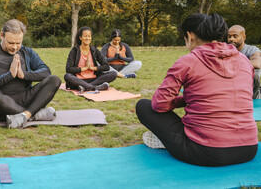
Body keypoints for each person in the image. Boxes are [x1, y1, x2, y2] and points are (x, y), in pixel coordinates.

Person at [136, 13, 258, 166]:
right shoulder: (244, 61)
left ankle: (168, 142)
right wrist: (193, 99)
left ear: (189, 36)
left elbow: (159, 104)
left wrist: (181, 102)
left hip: (207, 152)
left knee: (144, 106)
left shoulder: (188, 61)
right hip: (249, 149)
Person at [0, 19, 61, 129]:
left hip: (25, 98)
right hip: (1, 103)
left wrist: (24, 75)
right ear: (2, 35)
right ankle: (33, 114)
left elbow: (46, 72)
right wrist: (9, 75)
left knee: (54, 80)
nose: (15, 47)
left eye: (18, 43)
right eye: (10, 43)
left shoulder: (27, 52)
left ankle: (25, 115)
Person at [64, 26, 117, 93]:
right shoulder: (74, 51)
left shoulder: (94, 50)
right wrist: (85, 68)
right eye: (85, 36)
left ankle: (85, 87)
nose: (87, 38)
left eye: (89, 36)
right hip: (78, 79)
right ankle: (94, 87)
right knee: (67, 76)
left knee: (113, 74)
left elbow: (106, 66)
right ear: (80, 37)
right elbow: (68, 69)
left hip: (94, 79)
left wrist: (92, 68)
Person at [228, 25, 261, 99]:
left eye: (235, 36)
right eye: (229, 36)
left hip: (251, 91)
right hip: (231, 88)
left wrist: (233, 65)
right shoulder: (226, 50)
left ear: (244, 37)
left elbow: (257, 63)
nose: (231, 39)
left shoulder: (252, 50)